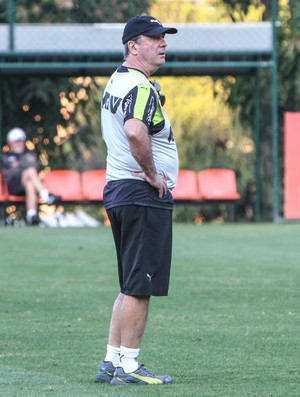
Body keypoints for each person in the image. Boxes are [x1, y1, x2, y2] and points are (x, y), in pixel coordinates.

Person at [95, 16, 178, 386]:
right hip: (140, 193)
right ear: (133, 45)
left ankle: (112, 360)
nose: (162, 43)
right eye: (154, 38)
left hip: (117, 189)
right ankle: (129, 367)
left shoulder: (118, 79)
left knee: (130, 282)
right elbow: (134, 130)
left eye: (164, 38)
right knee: (140, 284)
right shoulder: (140, 86)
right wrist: (152, 173)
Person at [0, 127, 61, 225]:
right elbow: (7, 169)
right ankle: (46, 195)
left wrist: (17, 164)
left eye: (20, 141)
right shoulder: (5, 156)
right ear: (10, 142)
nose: (18, 143)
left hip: (28, 183)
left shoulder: (29, 154)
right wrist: (24, 164)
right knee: (30, 171)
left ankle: (31, 215)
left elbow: (36, 166)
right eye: (15, 141)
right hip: (13, 186)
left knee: (30, 183)